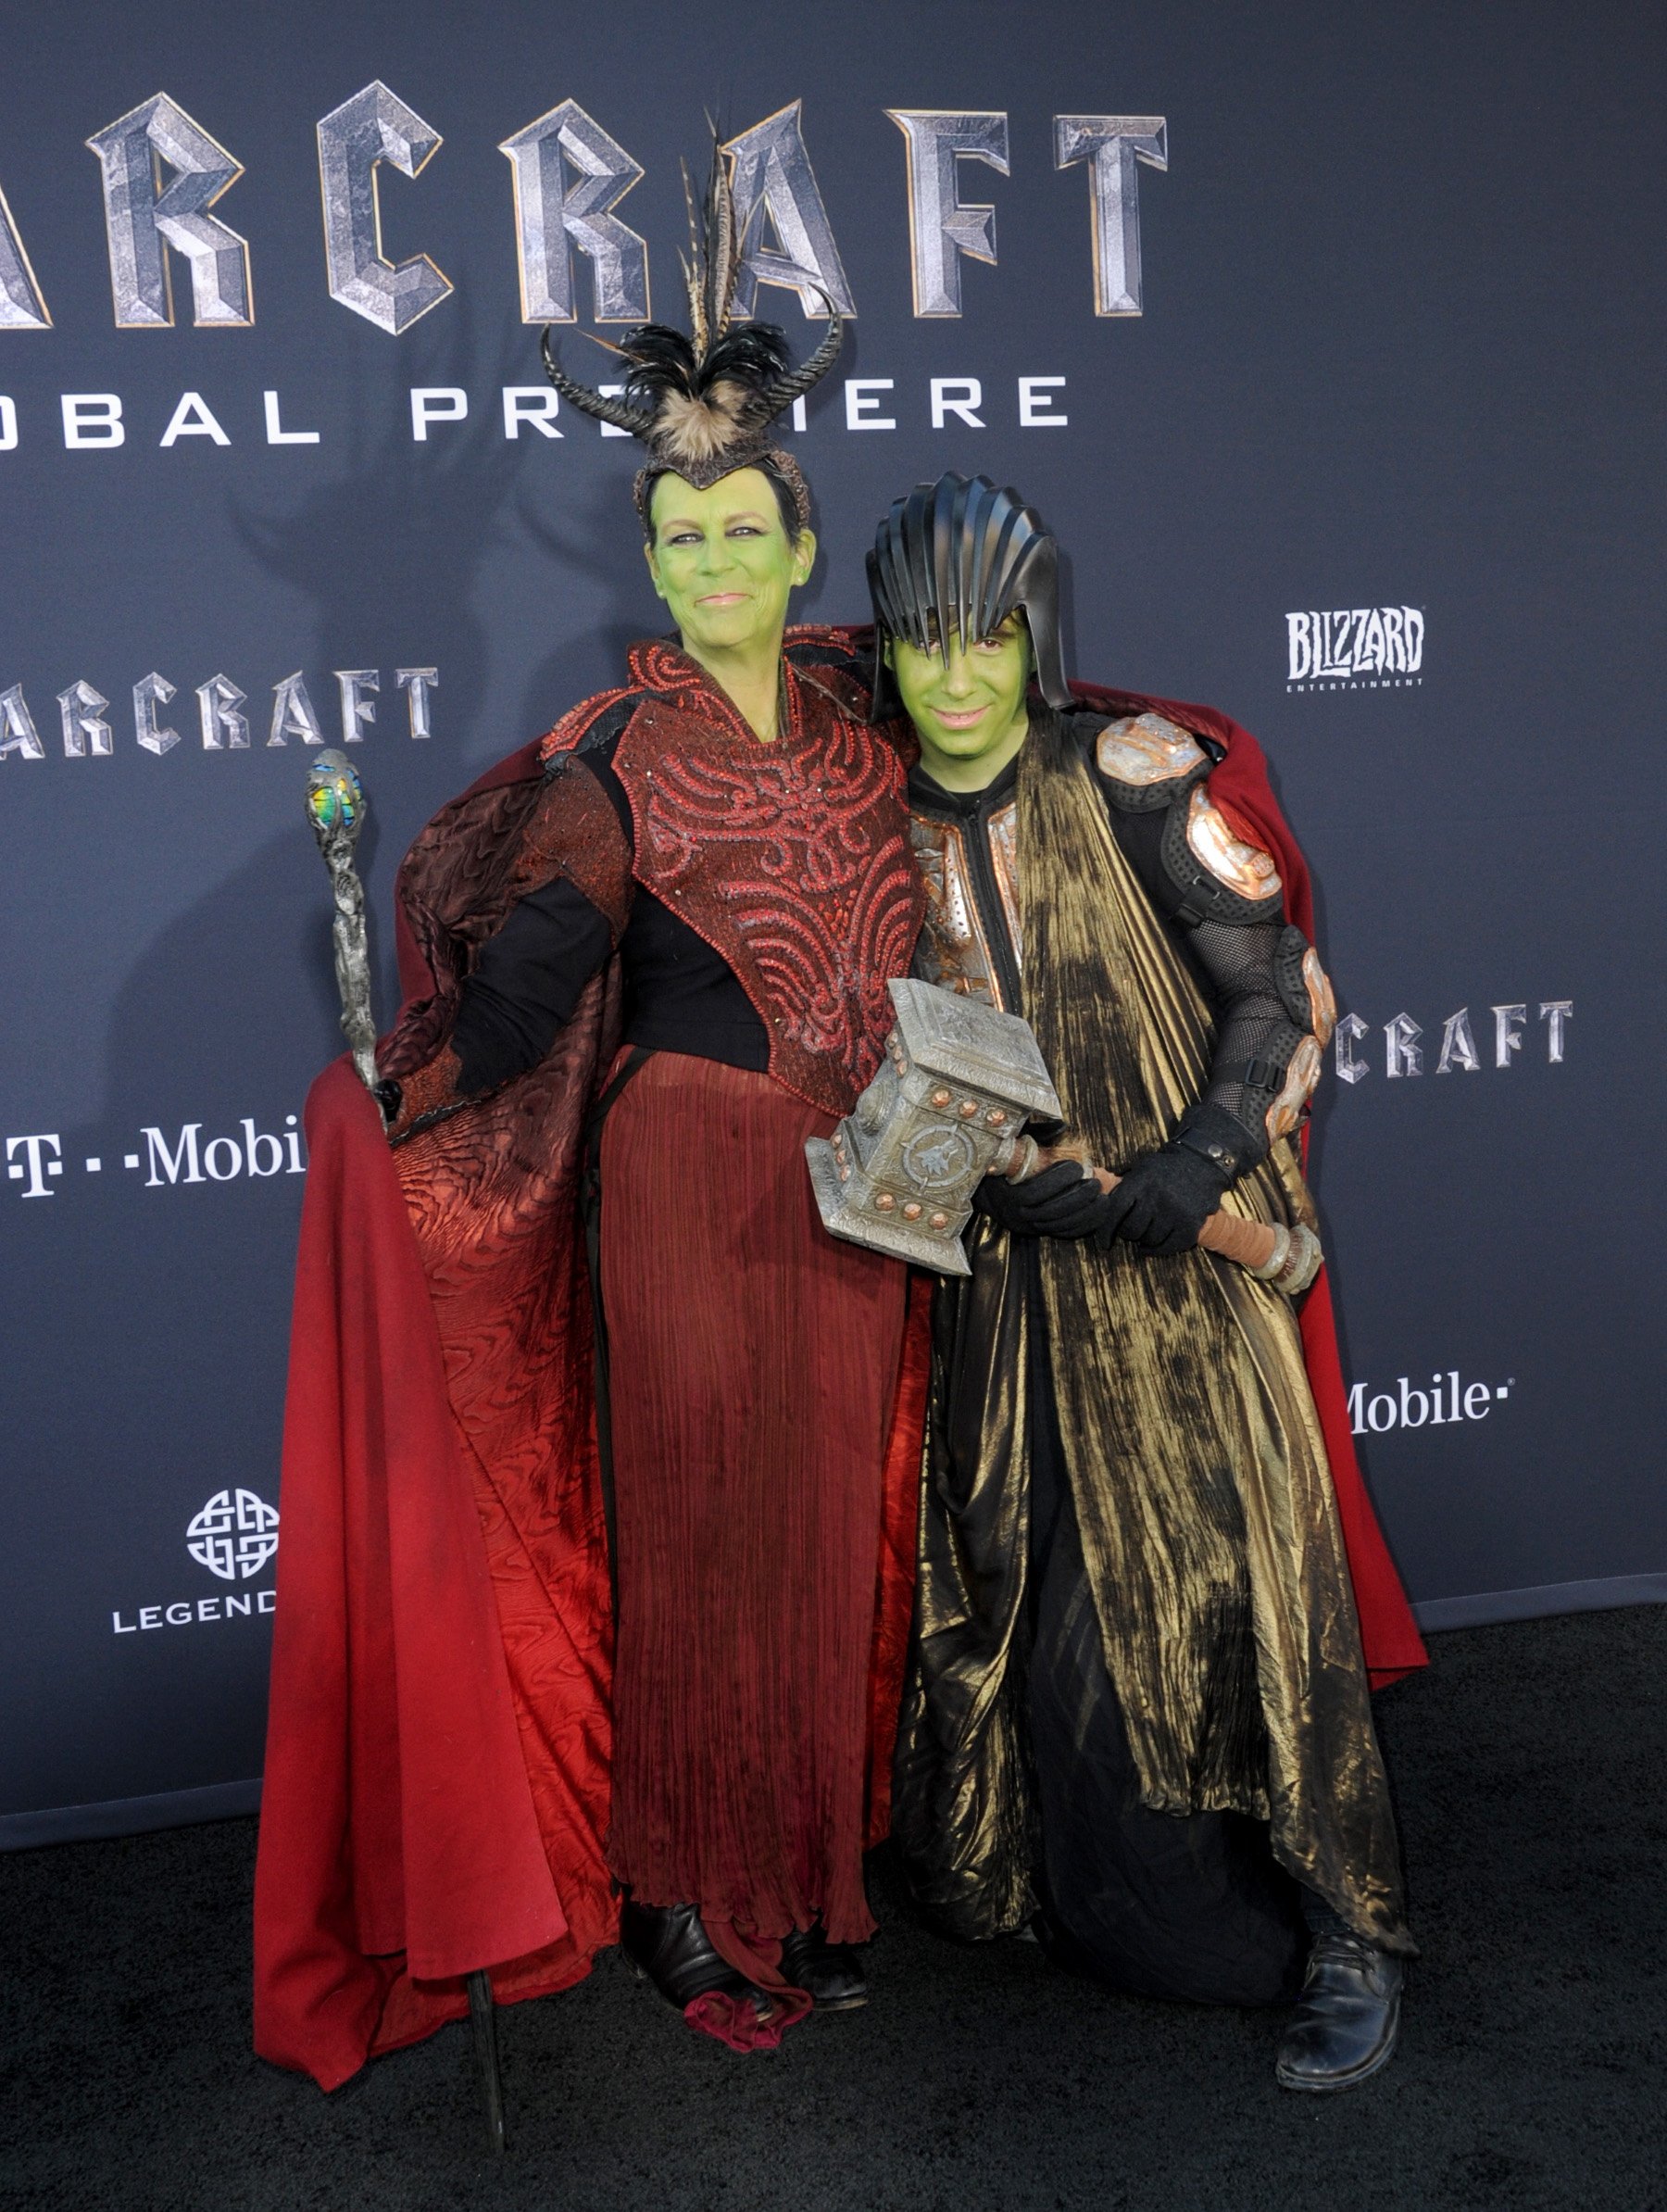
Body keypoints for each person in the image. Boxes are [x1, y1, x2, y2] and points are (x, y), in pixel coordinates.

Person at [254, 160, 927, 2084]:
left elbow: (1021, 735)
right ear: (656, 551)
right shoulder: (612, 764)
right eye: (684, 533)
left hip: (869, 1191)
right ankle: (680, 1902)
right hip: (689, 1192)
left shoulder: (873, 721)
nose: (718, 561)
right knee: (705, 1540)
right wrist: (408, 1105)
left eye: (747, 529)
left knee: (824, 1542)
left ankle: (802, 1872)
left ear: (801, 537)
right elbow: (537, 987)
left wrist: (1174, 765)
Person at [874, 472, 1428, 2093]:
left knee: (1254, 1589)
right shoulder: (867, 816)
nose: (958, 677)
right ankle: (1084, 1886)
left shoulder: (1133, 776)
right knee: (1034, 1594)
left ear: (1036, 636)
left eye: (985, 639)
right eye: (924, 646)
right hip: (1006, 1278)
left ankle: (1348, 1927)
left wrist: (1191, 1167)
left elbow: (1276, 993)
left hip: (1185, 1259)